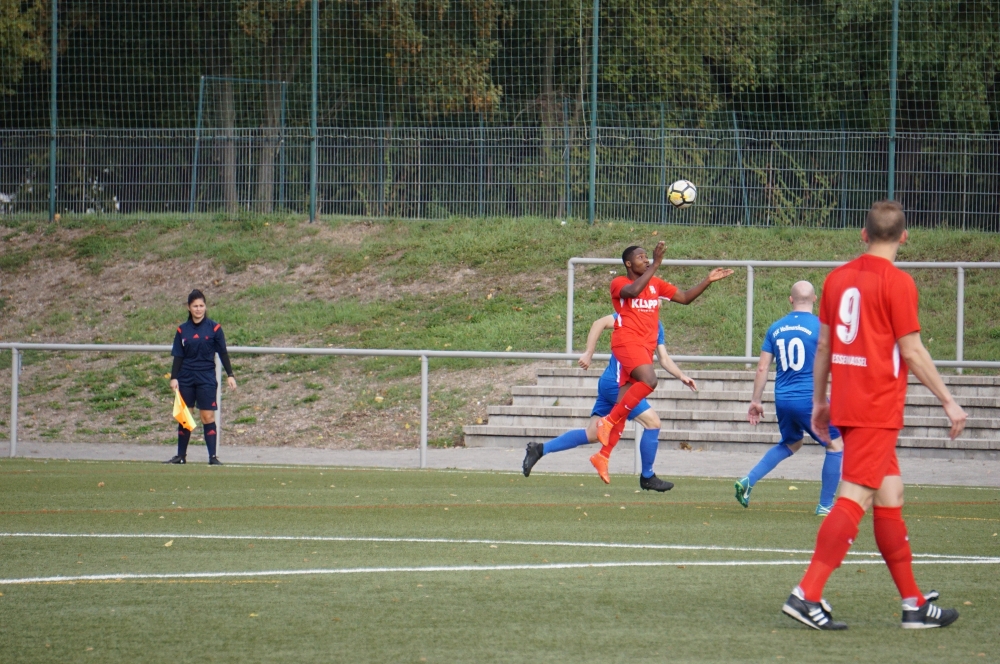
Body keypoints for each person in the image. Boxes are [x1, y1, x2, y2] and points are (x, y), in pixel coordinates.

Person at [781, 200, 966, 631]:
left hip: (849, 401)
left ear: (863, 234)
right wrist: (947, 400)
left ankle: (913, 604)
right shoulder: (898, 283)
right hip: (877, 406)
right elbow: (913, 350)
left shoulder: (837, 278)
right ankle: (806, 593)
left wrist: (821, 400)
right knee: (855, 497)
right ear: (904, 236)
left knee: (890, 496)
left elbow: (824, 346)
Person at [592, 242, 733, 482]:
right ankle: (608, 422)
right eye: (641, 257)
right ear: (628, 263)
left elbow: (686, 298)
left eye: (648, 257)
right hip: (627, 342)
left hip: (644, 349)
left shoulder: (656, 285)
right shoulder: (619, 283)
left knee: (625, 402)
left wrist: (707, 281)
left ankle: (603, 455)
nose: (646, 260)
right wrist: (656, 264)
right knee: (650, 381)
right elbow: (633, 292)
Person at [522, 313, 698, 490]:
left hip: (610, 383)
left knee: (592, 433)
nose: (658, 302)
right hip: (617, 384)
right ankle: (647, 476)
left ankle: (539, 449)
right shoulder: (629, 315)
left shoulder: (656, 325)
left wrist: (681, 375)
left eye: (659, 298)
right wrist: (589, 353)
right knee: (653, 423)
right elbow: (599, 322)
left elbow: (664, 358)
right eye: (655, 296)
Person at [735, 281, 843, 515]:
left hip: (783, 398)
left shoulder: (776, 328)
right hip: (810, 399)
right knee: (836, 445)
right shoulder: (822, 327)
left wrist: (756, 401)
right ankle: (825, 505)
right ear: (815, 299)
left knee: (792, 442)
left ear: (790, 300)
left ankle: (748, 481)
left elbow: (762, 368)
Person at [164, 289, 237, 465]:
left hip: (206, 377)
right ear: (189, 308)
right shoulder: (182, 330)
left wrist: (230, 375)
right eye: (195, 306)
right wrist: (174, 378)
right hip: (186, 377)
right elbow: (178, 356)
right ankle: (181, 456)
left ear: (205, 307)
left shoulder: (215, 328)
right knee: (185, 417)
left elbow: (223, 353)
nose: (198, 309)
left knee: (207, 417)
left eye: (201, 305)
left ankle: (212, 457)